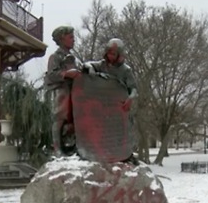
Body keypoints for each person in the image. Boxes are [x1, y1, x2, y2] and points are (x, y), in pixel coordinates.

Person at [82, 38, 139, 165]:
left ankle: (126, 155)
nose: (110, 56)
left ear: (119, 54)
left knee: (123, 133)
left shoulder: (126, 70)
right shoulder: (102, 65)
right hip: (104, 107)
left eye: (113, 54)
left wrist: (130, 98)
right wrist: (91, 69)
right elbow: (87, 64)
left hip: (119, 107)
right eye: (109, 53)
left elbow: (134, 89)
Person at [45, 26, 81, 157]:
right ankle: (57, 148)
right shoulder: (55, 57)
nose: (73, 40)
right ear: (61, 39)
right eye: (70, 37)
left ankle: (73, 146)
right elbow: (51, 75)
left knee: (75, 119)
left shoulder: (72, 58)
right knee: (60, 118)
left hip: (72, 92)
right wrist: (66, 74)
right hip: (60, 91)